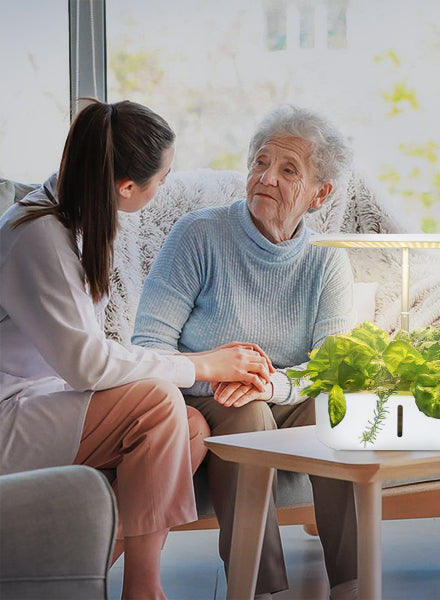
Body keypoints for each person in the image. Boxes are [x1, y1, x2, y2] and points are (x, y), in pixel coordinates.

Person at [0, 99, 272, 600]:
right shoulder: (36, 235)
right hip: (10, 418)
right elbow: (87, 364)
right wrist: (202, 364)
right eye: (162, 178)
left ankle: (75, 570)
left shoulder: (71, 222)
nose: (165, 185)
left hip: (42, 404)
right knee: (157, 402)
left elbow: (88, 354)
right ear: (127, 187)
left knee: (191, 429)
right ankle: (143, 590)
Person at [133, 104, 359, 600]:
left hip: (283, 392)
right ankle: (262, 589)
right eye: (260, 162)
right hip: (203, 395)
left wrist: (271, 381)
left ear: (320, 194)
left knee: (338, 411)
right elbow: (148, 348)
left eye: (288, 170)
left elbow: (332, 365)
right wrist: (216, 378)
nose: (266, 177)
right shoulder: (198, 235)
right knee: (251, 414)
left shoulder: (328, 261)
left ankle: (355, 584)